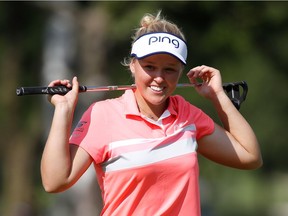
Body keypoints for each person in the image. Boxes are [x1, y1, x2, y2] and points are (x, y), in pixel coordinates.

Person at [40, 12, 262, 216]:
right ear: (132, 65)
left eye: (169, 69)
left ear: (181, 72)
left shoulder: (186, 114)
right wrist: (63, 110)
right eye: (149, 66)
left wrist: (218, 96)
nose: (159, 77)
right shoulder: (103, 115)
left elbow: (250, 156)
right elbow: (55, 181)